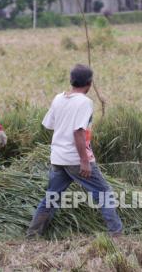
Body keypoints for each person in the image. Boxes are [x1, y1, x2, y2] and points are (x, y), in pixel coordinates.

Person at [26, 64, 122, 238]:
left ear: (71, 81)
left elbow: (49, 124)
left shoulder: (58, 98)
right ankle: (115, 231)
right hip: (75, 159)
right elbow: (78, 132)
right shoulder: (85, 102)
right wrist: (84, 161)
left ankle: (33, 233)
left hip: (58, 158)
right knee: (104, 193)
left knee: (51, 197)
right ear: (89, 83)